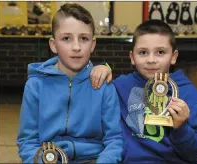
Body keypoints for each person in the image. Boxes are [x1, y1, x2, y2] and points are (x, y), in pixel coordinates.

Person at [16, 3, 123, 163]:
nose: (76, 47)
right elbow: (27, 141)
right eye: (66, 38)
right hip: (48, 159)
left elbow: (115, 139)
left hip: (93, 158)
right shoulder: (35, 85)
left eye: (84, 38)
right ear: (53, 45)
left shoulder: (104, 85)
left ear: (93, 45)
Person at [90, 19, 197, 163]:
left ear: (173, 57)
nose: (151, 60)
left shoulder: (190, 95)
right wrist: (103, 67)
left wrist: (181, 128)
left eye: (160, 52)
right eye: (143, 52)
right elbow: (97, 93)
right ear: (132, 57)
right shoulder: (121, 86)